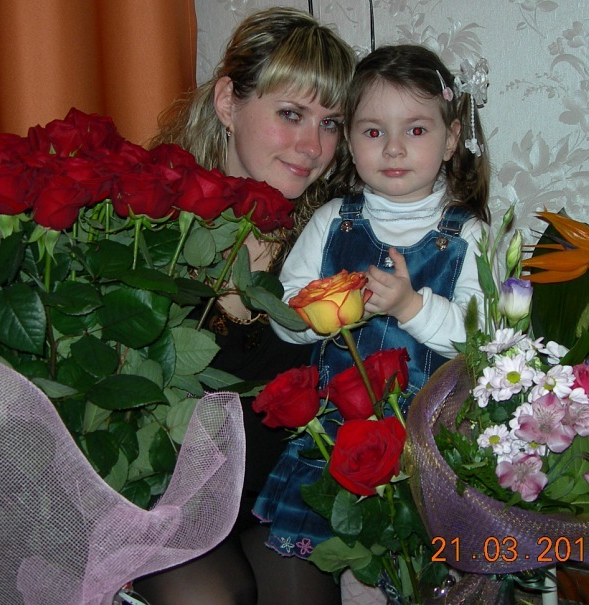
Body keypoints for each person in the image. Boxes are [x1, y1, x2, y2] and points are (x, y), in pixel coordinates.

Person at [133, 7, 355, 605]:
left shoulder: (331, 241)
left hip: (271, 498)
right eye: (291, 114)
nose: (313, 146)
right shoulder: (147, 227)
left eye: (331, 123)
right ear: (228, 102)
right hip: (160, 503)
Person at [254, 44, 492, 602]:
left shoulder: (469, 235)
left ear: (451, 139)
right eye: (372, 131)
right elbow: (285, 310)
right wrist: (319, 316)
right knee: (349, 565)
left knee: (423, 572)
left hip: (430, 446)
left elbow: (482, 340)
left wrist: (412, 308)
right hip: (338, 440)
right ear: (349, 140)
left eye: (416, 130)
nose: (393, 148)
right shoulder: (331, 221)